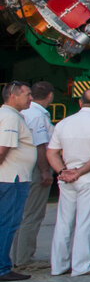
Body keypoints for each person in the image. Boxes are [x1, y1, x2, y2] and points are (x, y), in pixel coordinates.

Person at [47, 88, 90, 277]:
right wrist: (80, 172)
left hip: (66, 178)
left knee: (63, 222)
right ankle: (81, 265)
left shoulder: (63, 123)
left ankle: (58, 265)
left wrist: (63, 171)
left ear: (80, 102)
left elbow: (51, 152)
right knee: (86, 222)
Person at [11, 82, 55, 270]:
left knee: (21, 214)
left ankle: (16, 256)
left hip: (23, 169)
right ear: (50, 96)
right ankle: (24, 259)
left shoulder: (24, 113)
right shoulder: (37, 116)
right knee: (33, 214)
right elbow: (40, 146)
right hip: (37, 169)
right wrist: (45, 171)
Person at [0, 82, 37, 281]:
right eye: (27, 94)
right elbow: (3, 149)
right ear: (14, 95)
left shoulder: (8, 115)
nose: (30, 98)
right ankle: (2, 269)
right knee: (7, 223)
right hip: (12, 179)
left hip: (11, 177)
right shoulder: (9, 117)